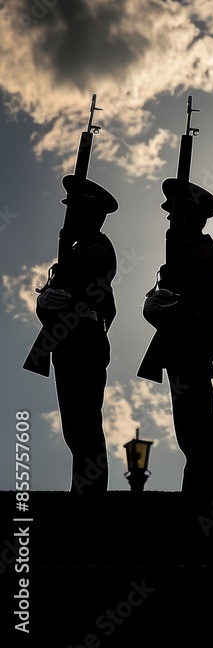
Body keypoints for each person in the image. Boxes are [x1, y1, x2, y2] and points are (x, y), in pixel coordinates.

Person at [23, 176, 118, 494]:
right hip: (66, 340)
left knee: (85, 424)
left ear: (91, 213)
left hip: (84, 338)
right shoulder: (75, 253)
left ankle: (90, 496)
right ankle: (83, 490)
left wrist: (67, 296)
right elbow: (55, 297)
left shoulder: (96, 248)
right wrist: (44, 300)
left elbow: (96, 287)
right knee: (75, 427)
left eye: (76, 210)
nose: (71, 216)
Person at [137, 179, 213, 493]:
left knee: (199, 428)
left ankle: (202, 497)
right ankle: (196, 493)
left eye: (176, 212)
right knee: (188, 431)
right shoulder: (183, 252)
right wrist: (155, 307)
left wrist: (179, 309)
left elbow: (212, 298)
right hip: (178, 347)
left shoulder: (200, 249)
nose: (170, 219)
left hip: (191, 346)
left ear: (195, 214)